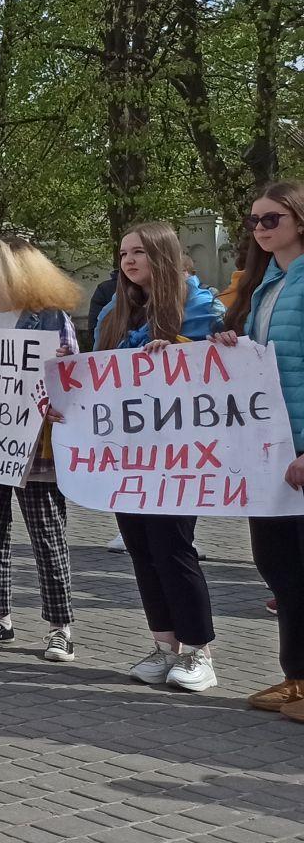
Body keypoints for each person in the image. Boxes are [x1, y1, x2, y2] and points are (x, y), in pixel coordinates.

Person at [95, 222, 224, 694]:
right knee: (141, 548)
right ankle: (163, 645)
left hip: (178, 452)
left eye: (140, 253)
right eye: (124, 253)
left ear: (163, 256)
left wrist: (182, 350)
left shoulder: (202, 307)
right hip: (126, 453)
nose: (129, 261)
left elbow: (223, 368)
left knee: (173, 548)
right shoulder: (116, 308)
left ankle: (198, 651)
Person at [0, 236, 83, 662]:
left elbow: (70, 380)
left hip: (35, 446)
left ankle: (60, 625)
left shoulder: (48, 319)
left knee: (46, 533)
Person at [216, 184, 304, 720]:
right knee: (279, 566)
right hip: (271, 452)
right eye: (252, 222)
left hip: (301, 450)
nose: (261, 229)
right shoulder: (265, 285)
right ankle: (296, 676)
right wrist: (232, 346)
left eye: (271, 218)